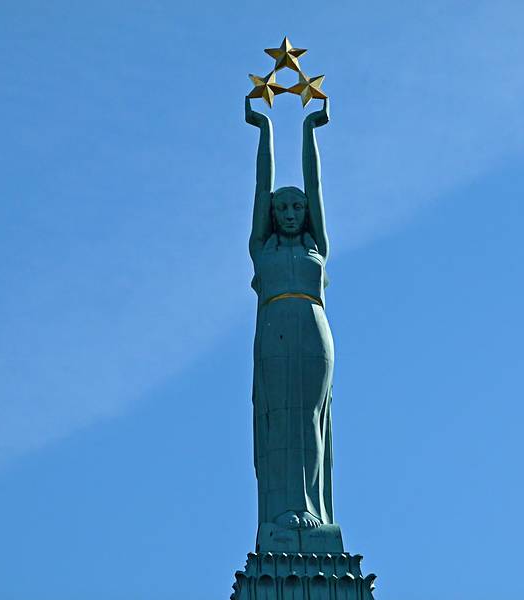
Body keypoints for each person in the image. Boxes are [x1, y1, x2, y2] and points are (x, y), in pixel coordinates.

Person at [244, 96, 334, 530]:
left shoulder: (317, 248)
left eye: (298, 207)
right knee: (280, 417)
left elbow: (315, 187)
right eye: (284, 208)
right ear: (272, 216)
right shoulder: (262, 249)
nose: (293, 213)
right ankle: (283, 510)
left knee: (310, 420)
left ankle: (312, 508)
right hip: (275, 326)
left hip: (313, 329)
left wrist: (309, 131)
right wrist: (265, 130)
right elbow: (262, 188)